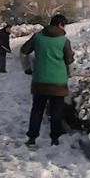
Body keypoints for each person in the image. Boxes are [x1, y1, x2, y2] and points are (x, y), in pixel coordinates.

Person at [20, 13, 74, 146]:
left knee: (37, 110)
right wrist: (69, 73)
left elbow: (23, 52)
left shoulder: (37, 37)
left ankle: (32, 138)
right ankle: (55, 139)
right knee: (56, 111)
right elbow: (69, 61)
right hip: (58, 83)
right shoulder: (64, 40)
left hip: (39, 82)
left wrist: (27, 68)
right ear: (60, 25)